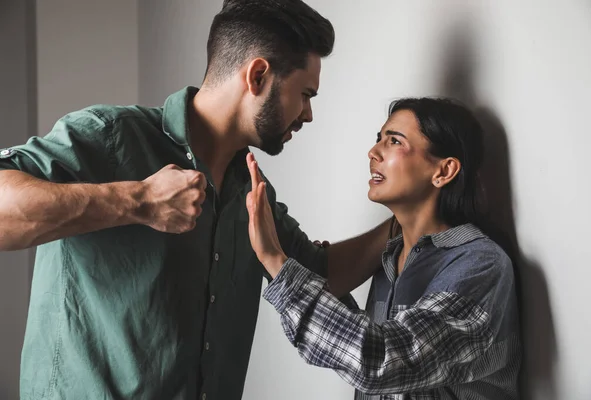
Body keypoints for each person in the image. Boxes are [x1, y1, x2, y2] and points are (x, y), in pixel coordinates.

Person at [0, 1, 390, 399]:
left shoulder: (252, 190)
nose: (307, 114)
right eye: (305, 94)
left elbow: (316, 274)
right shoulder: (111, 135)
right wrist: (139, 201)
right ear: (258, 75)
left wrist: (411, 219)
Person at [246, 97, 522, 399]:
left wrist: (274, 259)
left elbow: (381, 361)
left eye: (394, 141)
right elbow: (363, 345)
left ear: (443, 172)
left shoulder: (480, 266)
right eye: (379, 139)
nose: (373, 152)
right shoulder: (390, 261)